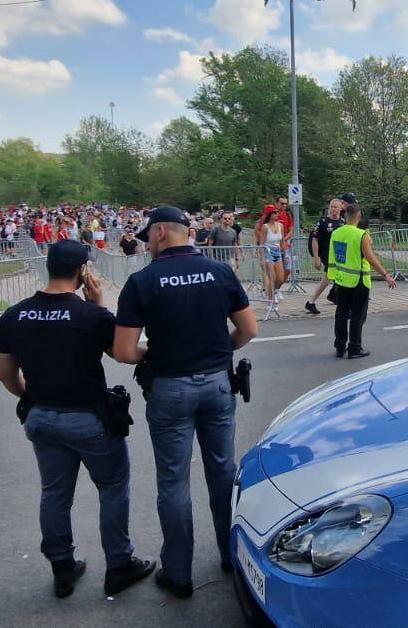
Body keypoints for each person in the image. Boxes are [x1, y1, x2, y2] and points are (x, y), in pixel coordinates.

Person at [0, 240, 155, 599]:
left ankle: (62, 567)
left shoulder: (14, 316)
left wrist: (32, 398)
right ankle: (119, 564)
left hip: (42, 418)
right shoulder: (91, 316)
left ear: (48, 267)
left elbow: (5, 374)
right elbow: (123, 354)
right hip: (90, 419)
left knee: (54, 493)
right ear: (83, 271)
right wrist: (99, 307)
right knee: (112, 489)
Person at [111, 206, 258, 599]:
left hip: (170, 388)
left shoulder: (143, 281)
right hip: (216, 384)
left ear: (160, 233)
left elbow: (124, 351)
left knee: (173, 481)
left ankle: (178, 573)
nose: (147, 244)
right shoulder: (220, 272)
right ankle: (233, 555)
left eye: (148, 237)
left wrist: (157, 355)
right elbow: (249, 329)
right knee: (223, 469)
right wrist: (214, 353)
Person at [328, 203, 396, 359]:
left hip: (341, 279)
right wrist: (386, 275)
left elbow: (333, 257)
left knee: (341, 314)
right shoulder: (361, 235)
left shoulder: (336, 233)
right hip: (359, 281)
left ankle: (339, 346)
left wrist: (333, 276)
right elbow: (370, 258)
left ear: (345, 216)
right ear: (358, 216)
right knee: (358, 315)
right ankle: (354, 348)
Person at [304, 199, 345, 316]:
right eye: (332, 207)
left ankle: (312, 302)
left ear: (341, 208)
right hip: (326, 254)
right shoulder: (323, 222)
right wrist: (316, 258)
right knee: (332, 277)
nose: (333, 209)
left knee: (327, 280)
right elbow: (314, 239)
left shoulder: (343, 222)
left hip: (337, 254)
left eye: (336, 207)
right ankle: (335, 298)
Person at [257, 208, 286, 304]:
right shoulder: (265, 227)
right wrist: (261, 258)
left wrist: (284, 253)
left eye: (278, 212)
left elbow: (282, 241)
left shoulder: (280, 226)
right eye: (275, 213)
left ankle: (275, 291)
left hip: (277, 252)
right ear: (270, 215)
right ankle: (270, 300)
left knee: (281, 278)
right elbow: (261, 243)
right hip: (267, 252)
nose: (277, 214)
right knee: (272, 277)